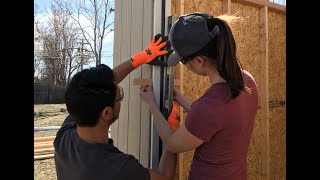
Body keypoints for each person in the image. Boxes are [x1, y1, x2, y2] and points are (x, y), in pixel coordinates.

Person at [139, 12, 259, 180]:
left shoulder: (210, 106)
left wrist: (151, 103)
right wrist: (179, 98)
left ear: (199, 61)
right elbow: (217, 120)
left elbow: (172, 143)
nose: (185, 65)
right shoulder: (247, 81)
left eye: (183, 61)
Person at [54, 34, 178, 180]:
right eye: (120, 96)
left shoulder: (64, 139)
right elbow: (164, 177)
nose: (120, 98)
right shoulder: (119, 169)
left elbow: (101, 85)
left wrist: (141, 58)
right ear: (106, 112)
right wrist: (172, 136)